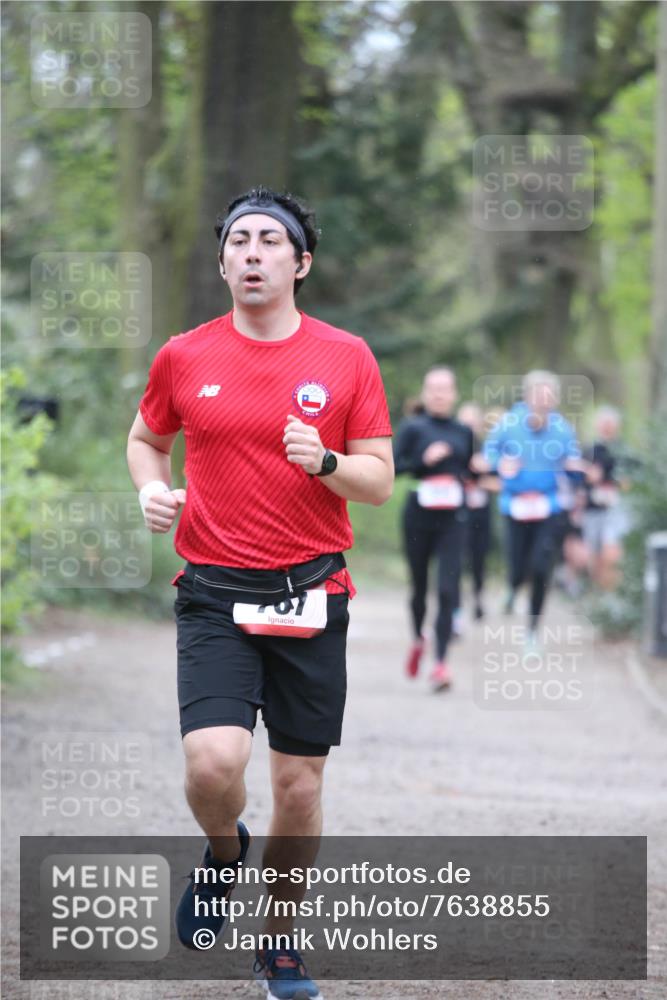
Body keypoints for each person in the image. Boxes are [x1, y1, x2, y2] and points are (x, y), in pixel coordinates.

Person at [126, 186, 393, 999]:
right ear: (221, 261)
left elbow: (377, 482)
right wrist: (151, 488)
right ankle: (222, 852)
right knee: (214, 765)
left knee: (297, 786)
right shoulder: (185, 355)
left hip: (312, 591)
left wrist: (324, 463)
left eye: (269, 241)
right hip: (213, 591)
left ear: (299, 262)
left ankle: (279, 946)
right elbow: (146, 439)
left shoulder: (346, 358)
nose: (251, 252)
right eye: (237, 240)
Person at [482, 371, 583, 643]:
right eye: (539, 394)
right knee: (517, 568)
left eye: (549, 395)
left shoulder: (562, 428)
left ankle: (532, 633)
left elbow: (573, 464)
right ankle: (513, 588)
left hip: (548, 506)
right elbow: (488, 454)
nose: (544, 400)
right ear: (527, 396)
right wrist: (499, 464)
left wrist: (576, 469)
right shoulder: (508, 423)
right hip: (514, 505)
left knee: (541, 567)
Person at [393, 368, 473, 691]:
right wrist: (423, 460)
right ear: (425, 394)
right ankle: (417, 639)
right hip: (418, 515)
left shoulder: (464, 432)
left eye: (445, 389)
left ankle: (440, 664)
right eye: (433, 389)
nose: (439, 394)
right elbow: (395, 467)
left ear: (454, 394)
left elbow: (470, 469)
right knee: (420, 586)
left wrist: (483, 470)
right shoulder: (413, 428)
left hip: (453, 516)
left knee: (447, 588)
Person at [457, 402, 499, 622]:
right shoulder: (453, 445)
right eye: (465, 422)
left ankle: (478, 598)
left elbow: (500, 482)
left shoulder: (488, 449)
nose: (469, 427)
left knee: (479, 558)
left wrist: (481, 479)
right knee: (457, 557)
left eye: (473, 422)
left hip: (481, 513)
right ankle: (455, 604)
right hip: (458, 512)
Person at [581, 406, 631, 590]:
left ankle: (612, 592)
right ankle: (598, 591)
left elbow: (630, 481)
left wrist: (618, 483)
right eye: (604, 424)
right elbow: (579, 480)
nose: (607, 428)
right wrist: (588, 477)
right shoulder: (589, 450)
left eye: (610, 424)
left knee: (612, 552)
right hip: (593, 508)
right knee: (593, 554)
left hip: (616, 509)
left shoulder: (624, 452)